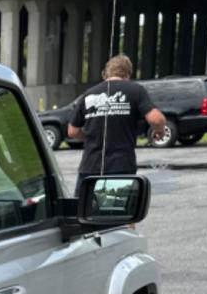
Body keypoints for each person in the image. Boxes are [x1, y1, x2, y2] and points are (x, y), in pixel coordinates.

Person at [68, 54, 165, 193]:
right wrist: (159, 130)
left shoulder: (88, 94)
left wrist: (92, 137)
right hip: (122, 166)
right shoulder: (136, 91)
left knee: (84, 211)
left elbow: (72, 131)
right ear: (128, 73)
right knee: (117, 211)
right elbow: (156, 119)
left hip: (90, 167)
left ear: (105, 73)